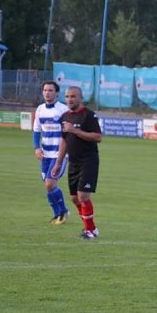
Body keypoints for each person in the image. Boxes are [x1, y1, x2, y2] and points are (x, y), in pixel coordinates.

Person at [51, 86, 103, 240]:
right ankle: (91, 228)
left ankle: (89, 231)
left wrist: (75, 131)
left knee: (83, 196)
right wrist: (58, 163)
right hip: (73, 162)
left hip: (88, 161)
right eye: (67, 96)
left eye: (73, 96)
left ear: (81, 98)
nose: (69, 99)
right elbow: (64, 141)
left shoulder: (88, 115)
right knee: (74, 198)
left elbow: (98, 137)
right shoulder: (65, 116)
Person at [33, 80, 70, 225]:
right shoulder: (40, 109)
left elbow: (68, 133)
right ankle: (58, 213)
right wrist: (37, 148)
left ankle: (63, 212)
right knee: (49, 186)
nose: (47, 93)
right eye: (45, 90)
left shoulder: (63, 110)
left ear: (57, 93)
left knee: (49, 184)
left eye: (50, 90)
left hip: (59, 154)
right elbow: (36, 130)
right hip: (45, 154)